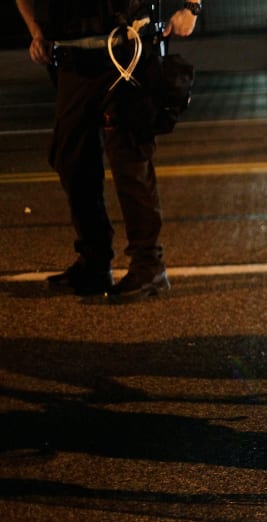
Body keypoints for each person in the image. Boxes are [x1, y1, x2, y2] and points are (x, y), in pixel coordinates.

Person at [15, 0, 201, 302]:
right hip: (72, 58)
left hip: (125, 50)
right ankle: (94, 262)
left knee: (129, 160)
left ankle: (148, 265)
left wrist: (192, 7)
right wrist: (36, 31)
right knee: (72, 160)